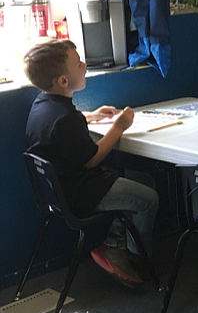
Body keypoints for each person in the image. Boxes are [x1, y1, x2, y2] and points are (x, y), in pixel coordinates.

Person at [23, 40, 159, 287]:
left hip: (58, 192)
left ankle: (117, 240)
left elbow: (64, 125)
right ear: (63, 81)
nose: (85, 66)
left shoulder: (42, 106)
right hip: (82, 191)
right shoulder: (66, 119)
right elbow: (92, 159)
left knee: (144, 181)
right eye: (78, 64)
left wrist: (90, 116)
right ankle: (131, 254)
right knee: (149, 198)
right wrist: (118, 128)